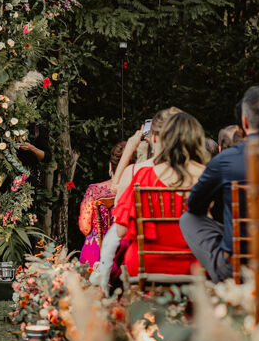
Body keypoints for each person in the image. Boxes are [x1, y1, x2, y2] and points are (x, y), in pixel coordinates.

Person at [179, 87, 259, 283]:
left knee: (188, 219)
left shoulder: (225, 160)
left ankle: (223, 280)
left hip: (236, 266)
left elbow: (195, 206)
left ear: (243, 122)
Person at [112, 112, 208, 279]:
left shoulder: (141, 175)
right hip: (192, 265)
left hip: (145, 265)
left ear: (156, 139)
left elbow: (120, 231)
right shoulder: (204, 175)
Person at [111, 107, 182, 202]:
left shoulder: (136, 172)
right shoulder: (195, 172)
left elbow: (115, 188)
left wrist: (129, 148)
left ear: (154, 138)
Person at [78, 141, 127, 266]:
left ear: (111, 167)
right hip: (125, 250)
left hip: (97, 251)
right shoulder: (136, 190)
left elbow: (85, 227)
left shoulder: (94, 190)